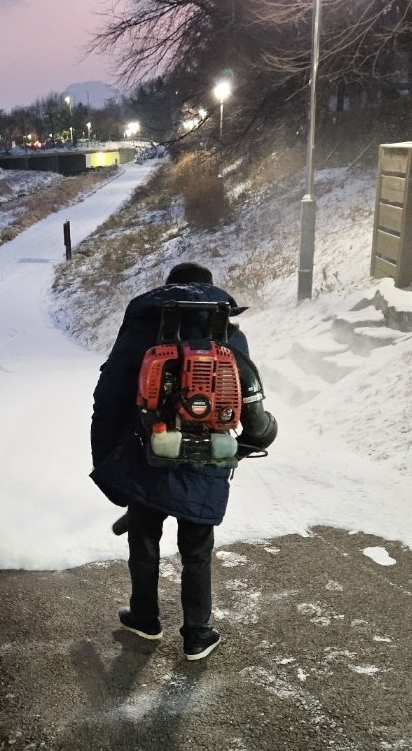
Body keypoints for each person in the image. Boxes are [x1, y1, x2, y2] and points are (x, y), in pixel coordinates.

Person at [90, 262, 276, 660]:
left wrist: (106, 461)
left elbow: (106, 400)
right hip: (208, 459)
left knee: (144, 540)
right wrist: (257, 436)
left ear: (166, 293)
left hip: (147, 453)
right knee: (196, 548)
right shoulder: (229, 337)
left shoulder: (142, 333)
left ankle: (144, 618)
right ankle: (197, 634)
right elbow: (253, 413)